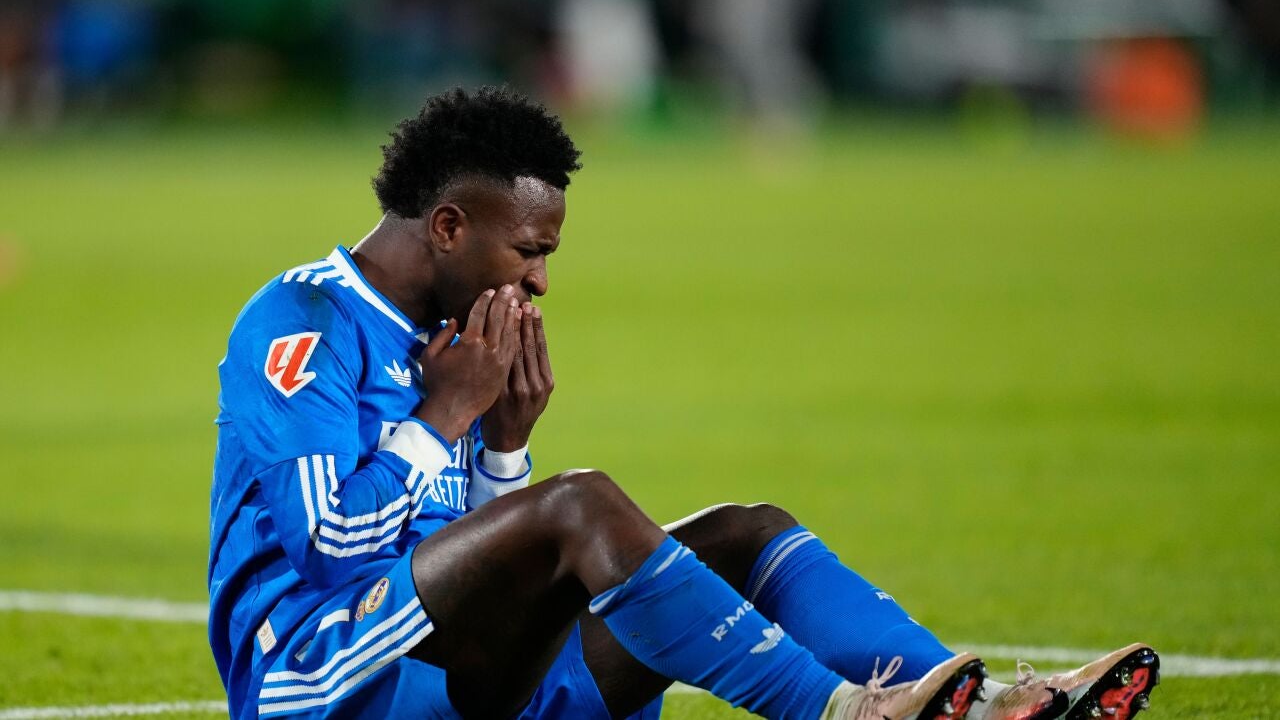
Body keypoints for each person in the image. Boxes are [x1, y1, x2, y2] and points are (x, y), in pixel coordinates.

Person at [208, 86, 1160, 720]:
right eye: (529, 251)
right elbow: (334, 549)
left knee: (747, 531)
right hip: (324, 680)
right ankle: (841, 712)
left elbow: (461, 562)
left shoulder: (460, 331)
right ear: (449, 226)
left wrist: (503, 448)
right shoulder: (303, 325)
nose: (539, 282)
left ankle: (987, 704)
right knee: (579, 505)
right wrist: (446, 421)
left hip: (445, 671)